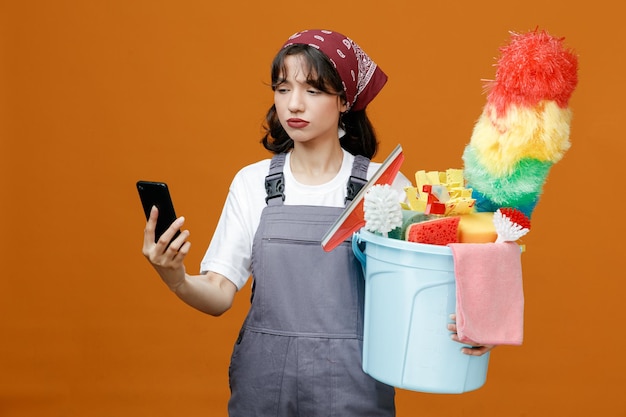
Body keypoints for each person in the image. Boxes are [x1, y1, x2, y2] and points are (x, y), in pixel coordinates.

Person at [142, 29, 493, 416]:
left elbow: (425, 289)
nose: (294, 104)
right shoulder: (252, 183)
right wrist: (175, 276)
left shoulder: (383, 188)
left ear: (344, 101)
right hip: (264, 386)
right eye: (282, 88)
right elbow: (218, 294)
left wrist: (477, 321)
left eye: (313, 91)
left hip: (354, 386)